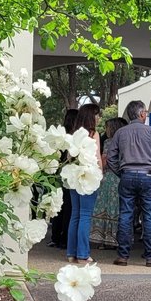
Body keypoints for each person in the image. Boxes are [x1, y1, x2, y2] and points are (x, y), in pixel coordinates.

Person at [106, 100, 151, 266]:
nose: (146, 114)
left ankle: (123, 256)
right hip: (147, 176)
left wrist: (120, 172)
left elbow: (111, 157)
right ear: (141, 114)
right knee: (150, 216)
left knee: (125, 215)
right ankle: (150, 257)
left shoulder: (120, 133)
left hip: (127, 175)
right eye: (145, 112)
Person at [66, 102, 101, 264]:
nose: (99, 118)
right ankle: (83, 254)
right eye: (97, 114)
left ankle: (71, 253)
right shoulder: (94, 134)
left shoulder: (74, 134)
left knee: (75, 214)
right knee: (86, 215)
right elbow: (97, 157)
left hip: (74, 175)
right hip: (88, 176)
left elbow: (69, 157)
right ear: (91, 116)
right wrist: (100, 174)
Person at [90, 117, 125, 249]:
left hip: (109, 177)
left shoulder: (109, 142)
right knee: (117, 208)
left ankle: (103, 238)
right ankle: (116, 238)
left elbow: (104, 159)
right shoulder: (125, 141)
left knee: (104, 207)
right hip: (121, 177)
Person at [49, 108, 77, 249]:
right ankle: (65, 239)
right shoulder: (74, 137)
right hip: (69, 174)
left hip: (58, 173)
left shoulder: (61, 135)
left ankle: (55, 237)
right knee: (69, 208)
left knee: (58, 205)